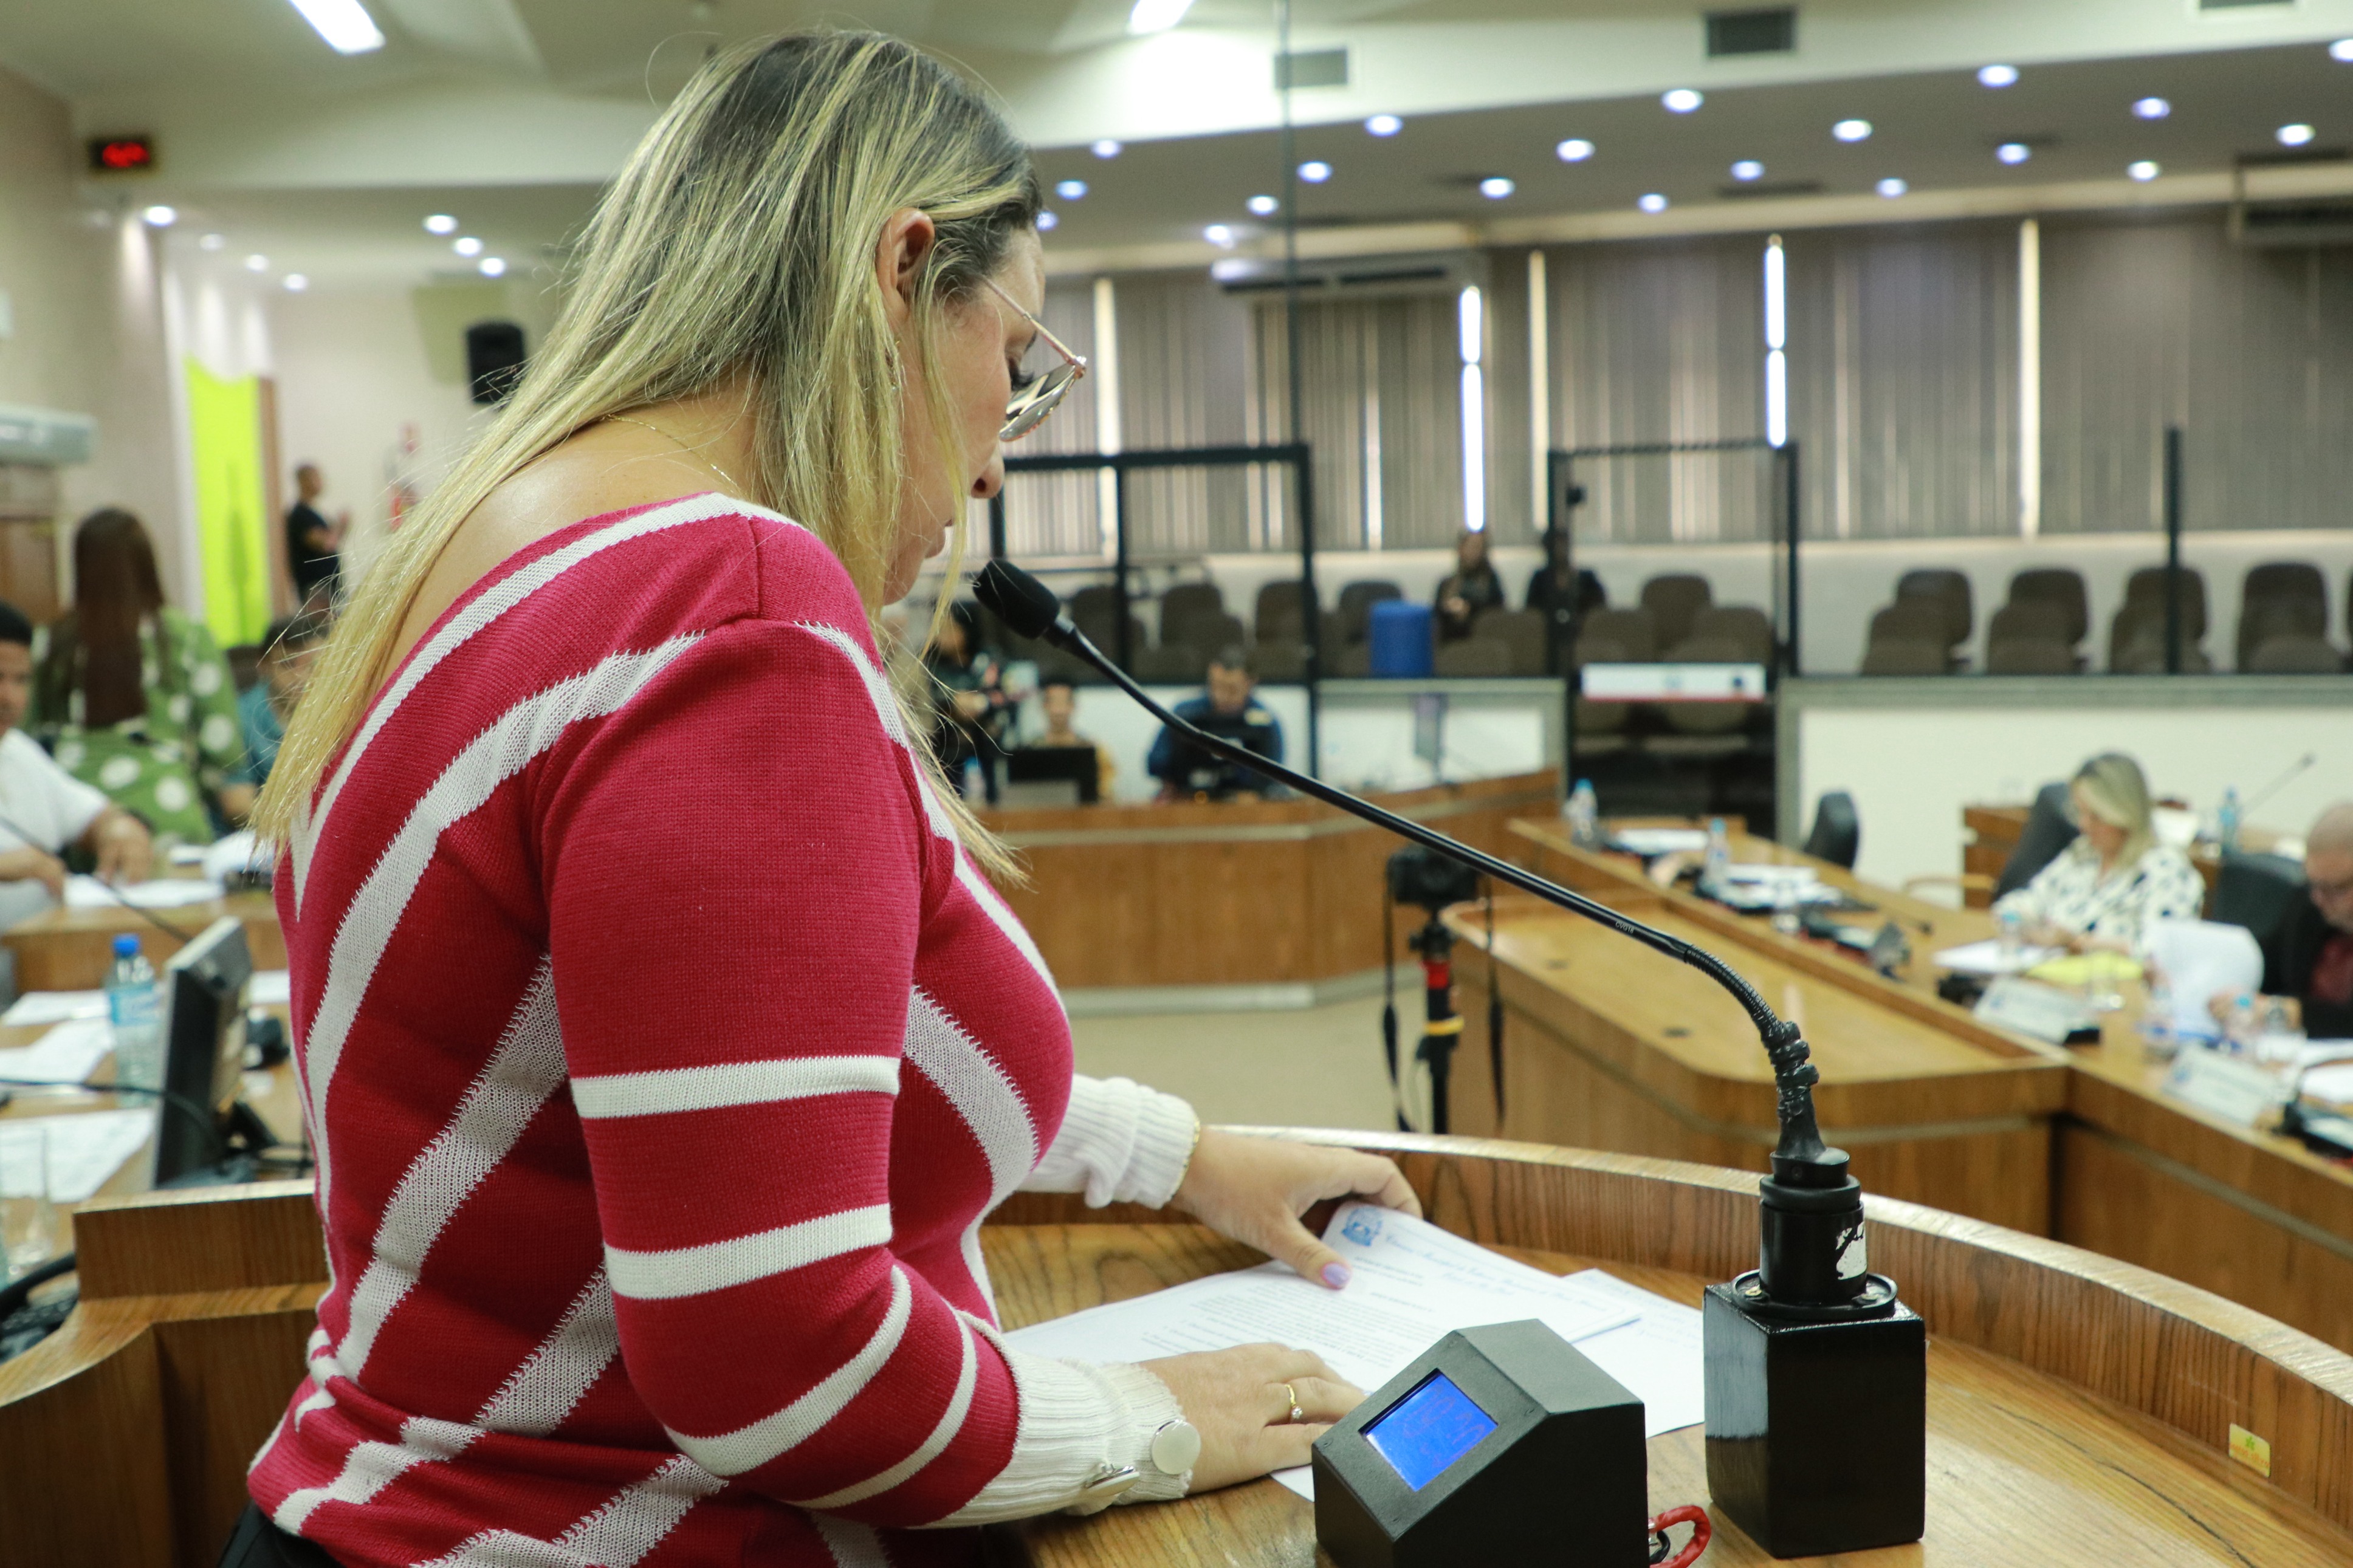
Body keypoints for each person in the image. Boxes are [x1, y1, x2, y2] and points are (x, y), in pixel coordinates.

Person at [233, 33, 1415, 1568]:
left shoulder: (485, 548)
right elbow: (775, 1360)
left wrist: (1173, 1155)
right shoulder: (726, 604)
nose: (993, 470)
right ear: (899, 273)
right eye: (1017, 364)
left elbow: (741, 1061)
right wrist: (1152, 1416)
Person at [32, 509, 252, 848]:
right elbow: (222, 746)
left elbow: (27, 738)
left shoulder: (50, 642)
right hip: (167, 812)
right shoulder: (185, 636)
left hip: (79, 824)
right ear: (147, 564)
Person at [0, 600, 154, 933]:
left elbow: (96, 817)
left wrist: (120, 829)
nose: (9, 698)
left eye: (21, 680)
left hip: (46, 951)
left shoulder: (19, 752)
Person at [1991, 753, 2204, 957]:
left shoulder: (2166, 869)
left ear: (2124, 813)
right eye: (2080, 812)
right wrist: (2021, 925)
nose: (2083, 825)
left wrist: (2078, 942)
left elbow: (2164, 953)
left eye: (2096, 816)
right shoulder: (2082, 854)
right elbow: (2024, 902)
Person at [2217, 802, 2353, 1038]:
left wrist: (2282, 1012)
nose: (2319, 899)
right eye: (2314, 883)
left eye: (2336, 889)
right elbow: (2268, 964)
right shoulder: (2310, 904)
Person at [1148, 647, 1283, 801]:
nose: (1221, 696)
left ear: (1250, 683)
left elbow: (1275, 772)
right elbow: (1155, 762)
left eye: (1232, 689)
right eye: (1216, 686)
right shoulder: (1184, 714)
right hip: (1188, 799)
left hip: (1248, 802)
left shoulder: (1265, 721)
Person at [926, 597, 1012, 798]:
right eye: (937, 629)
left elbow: (1006, 693)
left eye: (949, 629)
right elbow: (926, 697)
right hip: (946, 748)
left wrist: (981, 703)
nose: (941, 636)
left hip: (988, 745)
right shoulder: (930, 662)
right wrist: (953, 702)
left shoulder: (988, 658)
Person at [235, 613, 330, 787]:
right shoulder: (238, 720)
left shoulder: (336, 711)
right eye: (288, 664)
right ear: (263, 664)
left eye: (314, 666)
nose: (302, 678)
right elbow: (237, 798)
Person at [1524, 527, 1607, 670]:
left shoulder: (1588, 580)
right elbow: (1531, 614)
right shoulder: (1539, 582)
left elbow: (1600, 613)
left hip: (1582, 641)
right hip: (1548, 644)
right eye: (1556, 546)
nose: (1561, 551)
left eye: (1564, 545)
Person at [1026, 675, 1115, 799]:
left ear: (1073, 706)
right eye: (1053, 702)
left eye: (1064, 702)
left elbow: (1107, 795)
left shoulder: (1096, 752)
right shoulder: (1028, 752)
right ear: (1043, 706)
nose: (1058, 710)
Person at [1432, 526, 1505, 641]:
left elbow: (1497, 614)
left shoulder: (1492, 585)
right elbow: (1437, 615)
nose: (1475, 552)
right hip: (1452, 642)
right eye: (1471, 546)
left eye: (1480, 547)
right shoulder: (1446, 585)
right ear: (1461, 549)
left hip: (1483, 641)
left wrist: (1470, 609)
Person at [286, 463, 342, 607]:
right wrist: (339, 526)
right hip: (317, 590)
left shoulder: (313, 513)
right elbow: (325, 544)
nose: (321, 482)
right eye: (316, 478)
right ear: (304, 481)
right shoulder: (301, 515)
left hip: (327, 588)